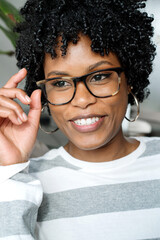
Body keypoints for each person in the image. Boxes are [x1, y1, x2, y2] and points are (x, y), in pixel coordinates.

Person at [0, 0, 159, 239]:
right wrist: (10, 170)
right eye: (60, 83)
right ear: (43, 94)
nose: (82, 100)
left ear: (130, 80)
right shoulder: (22, 181)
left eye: (99, 76)